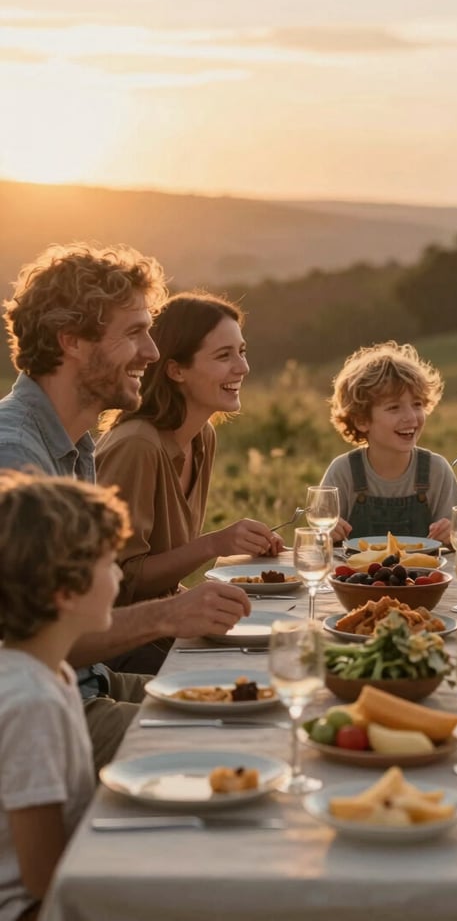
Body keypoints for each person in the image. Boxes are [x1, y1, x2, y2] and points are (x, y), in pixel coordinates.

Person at [0, 243, 251, 770]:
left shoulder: (75, 444)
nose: (153, 353)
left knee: (255, 695)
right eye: (134, 332)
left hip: (88, 681)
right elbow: (33, 643)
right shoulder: (16, 459)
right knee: (242, 742)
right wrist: (168, 614)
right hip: (45, 715)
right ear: (71, 341)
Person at [95, 291, 284, 673]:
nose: (243, 367)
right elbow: (119, 583)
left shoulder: (201, 438)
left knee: (281, 647)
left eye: (242, 351)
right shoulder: (136, 446)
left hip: (162, 623)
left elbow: (160, 581)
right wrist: (214, 544)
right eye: (224, 356)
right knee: (251, 673)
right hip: (114, 645)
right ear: (176, 370)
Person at [0, 471, 131, 921]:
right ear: (65, 592)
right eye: (109, 563)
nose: (118, 574)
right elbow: (44, 877)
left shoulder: (50, 672)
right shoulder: (31, 702)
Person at [320, 341, 457, 545]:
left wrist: (454, 536)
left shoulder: (437, 470)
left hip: (424, 568)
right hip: (355, 568)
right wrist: (326, 535)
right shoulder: (343, 472)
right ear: (362, 420)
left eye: (417, 404)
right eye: (394, 408)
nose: (411, 417)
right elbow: (317, 543)